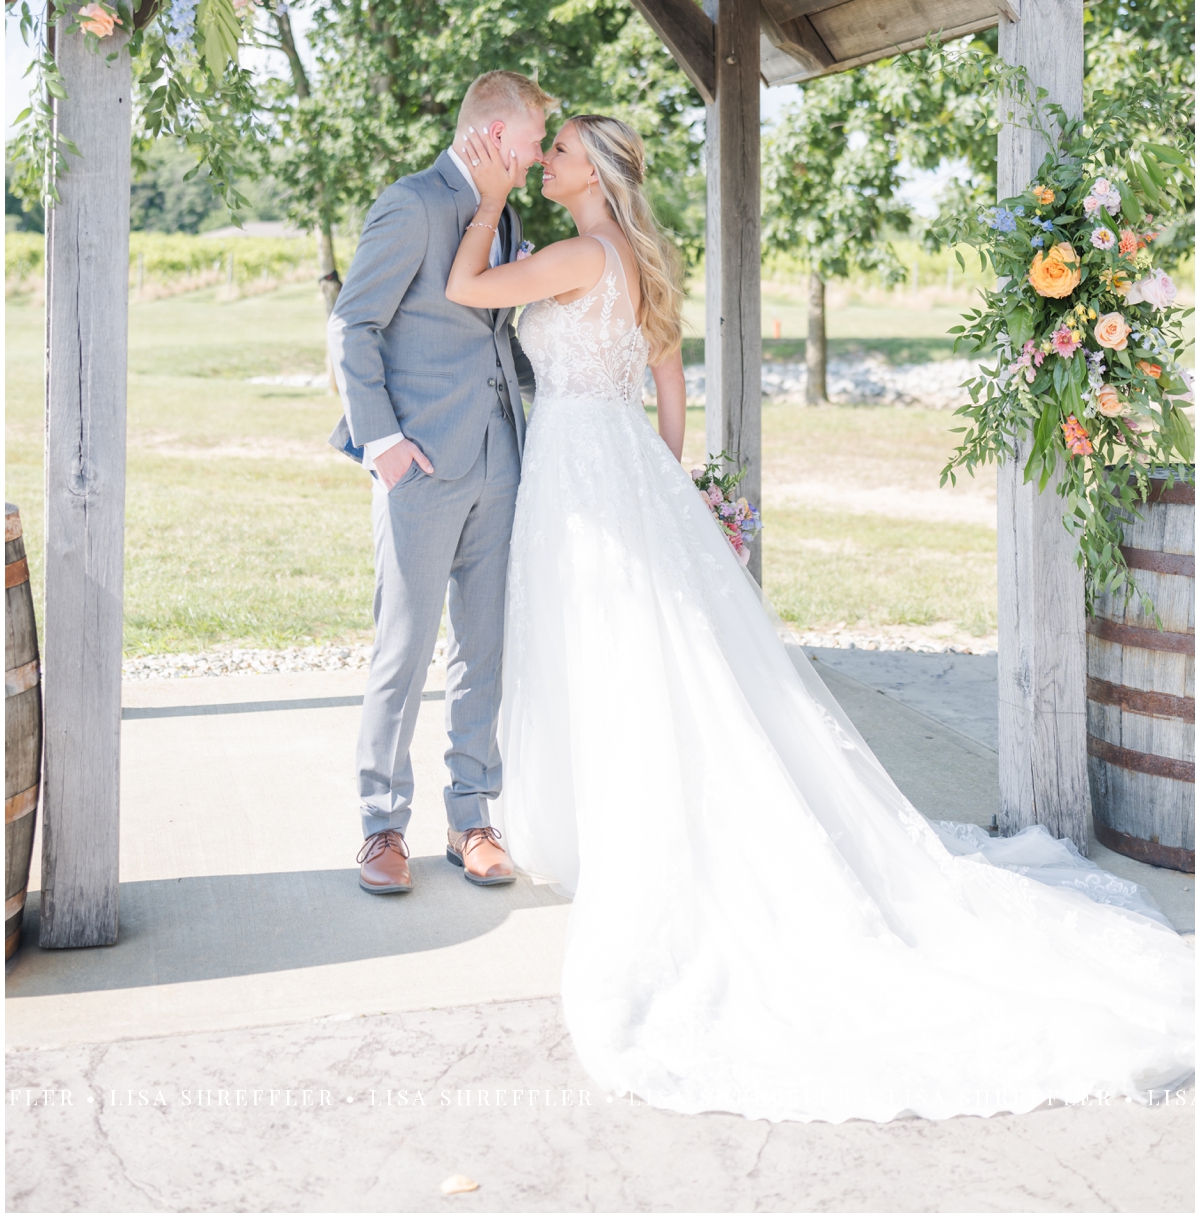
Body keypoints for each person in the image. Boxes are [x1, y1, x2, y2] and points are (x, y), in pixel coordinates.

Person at [444, 113, 1194, 1125]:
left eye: (564, 148)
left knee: (605, 653)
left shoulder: (579, 250)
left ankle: (619, 829)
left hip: (580, 464)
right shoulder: (635, 258)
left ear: (599, 172)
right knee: (646, 655)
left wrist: (486, 196)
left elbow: (466, 288)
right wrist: (665, 487)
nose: (550, 158)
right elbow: (667, 385)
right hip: (621, 462)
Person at [328, 70, 548, 895]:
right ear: (491, 134)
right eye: (528, 145)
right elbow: (354, 322)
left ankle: (471, 816)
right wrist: (380, 443)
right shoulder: (412, 204)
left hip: (502, 462)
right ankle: (381, 826)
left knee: (483, 647)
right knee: (405, 648)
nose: (530, 164)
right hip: (419, 467)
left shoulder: (510, 211)